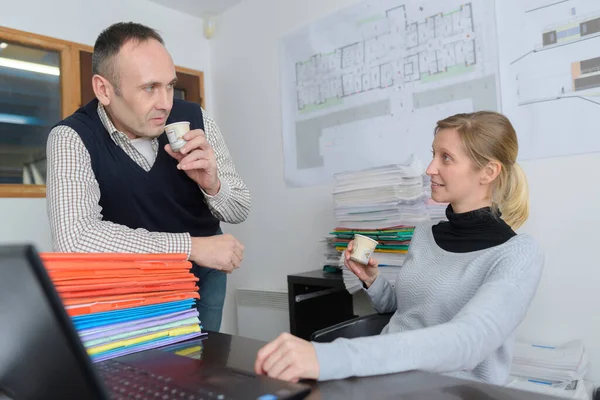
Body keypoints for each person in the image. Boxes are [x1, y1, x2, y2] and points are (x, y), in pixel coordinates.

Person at [254, 111, 544, 384]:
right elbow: (407, 310)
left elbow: (469, 340)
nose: (431, 168)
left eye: (446, 158)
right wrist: (373, 281)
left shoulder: (517, 254)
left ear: (488, 171)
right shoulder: (425, 233)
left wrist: (330, 357)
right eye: (434, 155)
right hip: (388, 380)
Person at [46, 22, 250, 332]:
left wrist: (213, 185)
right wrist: (192, 247)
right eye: (149, 88)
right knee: (136, 373)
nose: (166, 103)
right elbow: (75, 239)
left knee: (202, 368)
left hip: (202, 278)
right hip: (126, 287)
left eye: (170, 85)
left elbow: (239, 209)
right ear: (104, 89)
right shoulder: (71, 137)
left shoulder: (196, 118)